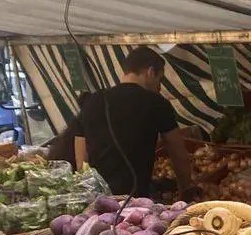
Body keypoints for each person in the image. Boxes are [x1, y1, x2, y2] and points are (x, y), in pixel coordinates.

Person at [72, 46, 197, 198]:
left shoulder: (92, 101)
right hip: (135, 199)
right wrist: (185, 190)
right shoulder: (156, 103)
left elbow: (81, 163)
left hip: (100, 199)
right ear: (150, 72)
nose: (159, 87)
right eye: (160, 79)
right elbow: (178, 153)